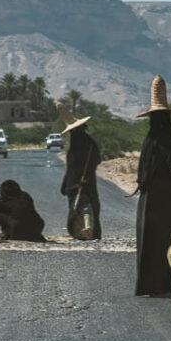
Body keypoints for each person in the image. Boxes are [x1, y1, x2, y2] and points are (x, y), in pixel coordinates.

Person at [134, 75, 171, 296]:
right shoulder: (168, 138)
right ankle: (166, 284)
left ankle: (148, 284)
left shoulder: (149, 140)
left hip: (147, 198)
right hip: (166, 198)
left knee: (149, 238)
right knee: (168, 237)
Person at [57, 102, 102, 240]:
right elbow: (98, 160)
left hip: (74, 185)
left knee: (77, 208)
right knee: (91, 206)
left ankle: (80, 232)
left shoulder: (73, 147)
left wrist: (65, 185)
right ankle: (92, 232)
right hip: (88, 183)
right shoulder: (91, 144)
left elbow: (70, 168)